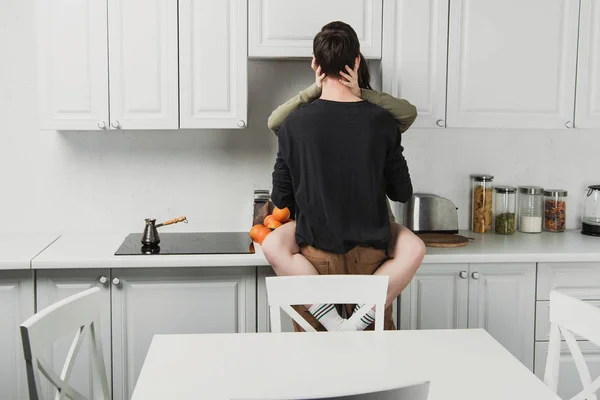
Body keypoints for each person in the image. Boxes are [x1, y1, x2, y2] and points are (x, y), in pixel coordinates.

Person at [267, 21, 425, 332]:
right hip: (371, 267)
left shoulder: (294, 125)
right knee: (374, 371)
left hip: (313, 266)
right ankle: (360, 320)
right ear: (355, 62)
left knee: (315, 369)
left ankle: (332, 322)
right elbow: (402, 192)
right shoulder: (383, 122)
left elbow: (280, 199)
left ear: (315, 65)